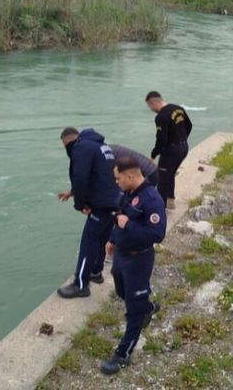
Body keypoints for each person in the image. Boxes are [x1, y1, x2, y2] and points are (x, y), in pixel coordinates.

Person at [100, 156, 166, 375]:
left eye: (118, 178)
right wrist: (112, 239)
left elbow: (157, 234)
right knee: (121, 290)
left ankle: (123, 354)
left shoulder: (152, 199)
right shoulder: (128, 193)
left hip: (139, 258)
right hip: (121, 254)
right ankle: (147, 307)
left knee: (133, 310)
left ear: (130, 176)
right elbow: (119, 217)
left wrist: (128, 226)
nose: (116, 182)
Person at [56, 127, 121, 298]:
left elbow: (81, 177)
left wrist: (80, 204)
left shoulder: (80, 147)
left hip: (101, 204)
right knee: (101, 239)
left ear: (69, 141)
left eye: (65, 146)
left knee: (89, 241)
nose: (68, 151)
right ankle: (95, 272)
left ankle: (81, 285)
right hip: (114, 201)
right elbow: (99, 176)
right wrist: (73, 192)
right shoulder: (101, 145)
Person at [145, 91, 193, 209]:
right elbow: (189, 125)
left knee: (162, 178)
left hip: (172, 150)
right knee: (170, 173)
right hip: (184, 148)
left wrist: (153, 154)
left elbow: (161, 139)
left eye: (150, 106)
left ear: (154, 102)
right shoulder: (178, 109)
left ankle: (160, 207)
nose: (151, 109)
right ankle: (170, 201)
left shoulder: (161, 117)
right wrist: (182, 139)